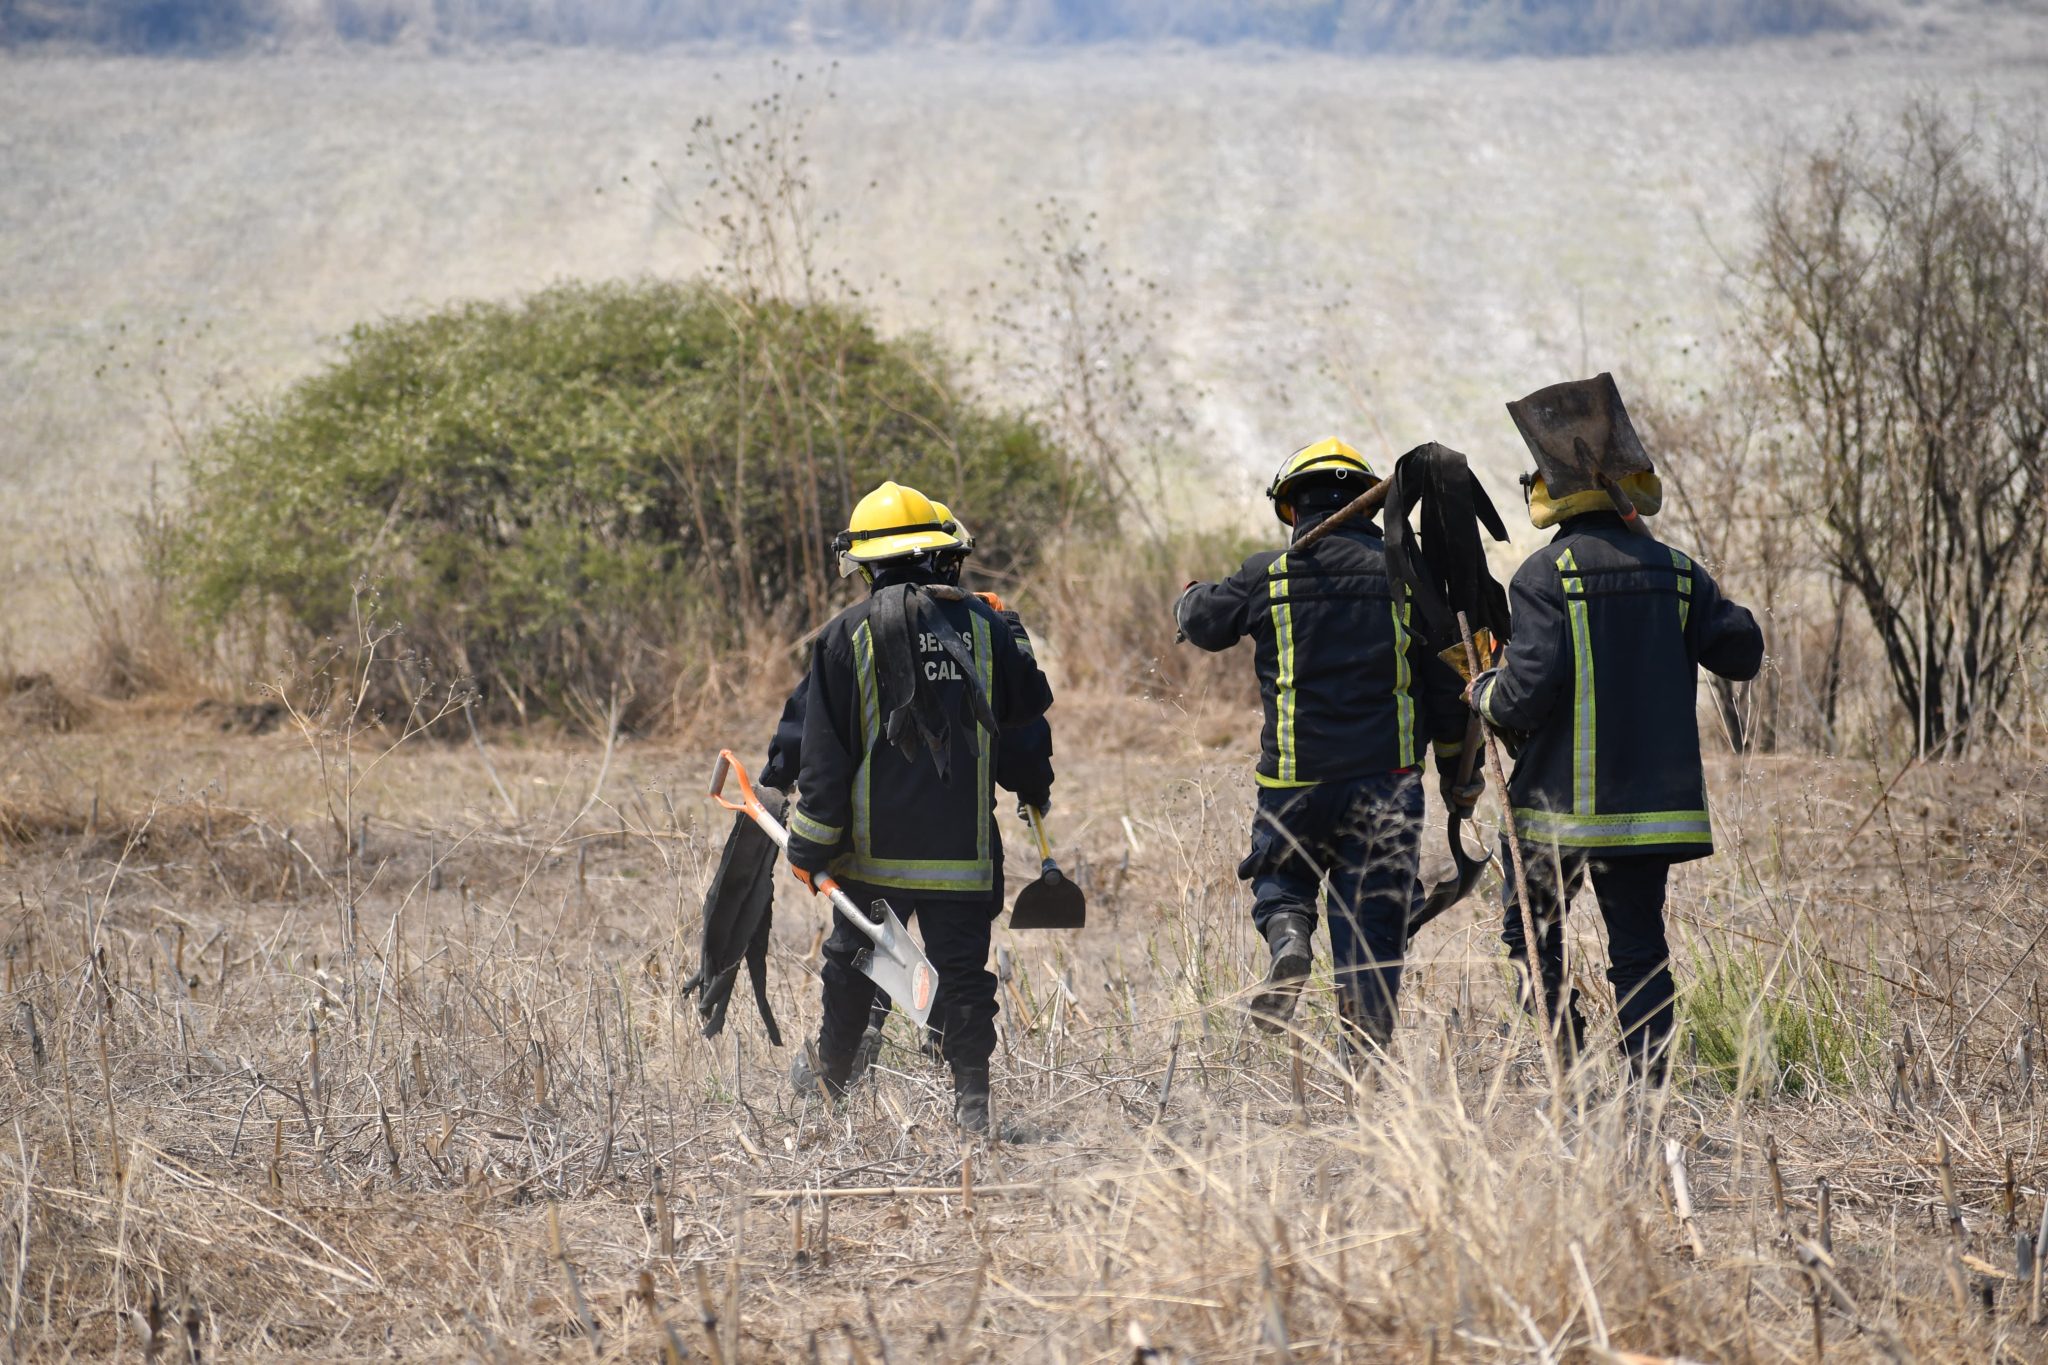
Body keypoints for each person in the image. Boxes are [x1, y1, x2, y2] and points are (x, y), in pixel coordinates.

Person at [1471, 374, 1764, 1081]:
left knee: (1532, 938)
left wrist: (1482, 691)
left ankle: (1564, 1065)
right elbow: (1742, 651)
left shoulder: (1544, 577)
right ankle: (1649, 1091)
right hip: (1652, 811)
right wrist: (1671, 571)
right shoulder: (1678, 572)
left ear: (1550, 492)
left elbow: (1521, 698)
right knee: (1640, 951)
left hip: (1557, 812)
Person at [1176, 438, 1472, 1060]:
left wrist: (1189, 596)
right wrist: (1456, 770)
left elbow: (1204, 623)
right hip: (1387, 781)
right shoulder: (1405, 578)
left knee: (1282, 878)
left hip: (1295, 781)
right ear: (1369, 505)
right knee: (1373, 923)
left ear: (1291, 507)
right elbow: (1446, 689)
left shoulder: (1268, 574)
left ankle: (1288, 936)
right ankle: (1362, 1067)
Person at [782, 481, 1054, 1132]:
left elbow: (825, 757)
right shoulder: (987, 626)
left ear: (869, 565)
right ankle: (973, 1107)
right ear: (938, 555)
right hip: (962, 856)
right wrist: (1030, 783)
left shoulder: (843, 634)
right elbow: (1026, 709)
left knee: (851, 975)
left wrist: (809, 844)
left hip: (871, 859)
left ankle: (827, 1103)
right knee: (963, 979)